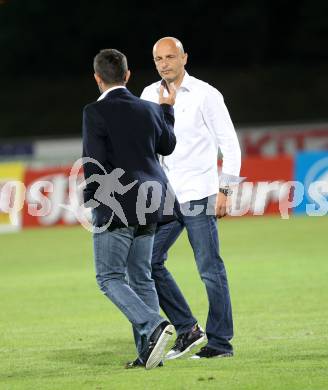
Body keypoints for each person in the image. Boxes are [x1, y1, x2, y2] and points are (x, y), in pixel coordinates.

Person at [140, 37, 241, 359]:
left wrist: (225, 190)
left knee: (210, 270)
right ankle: (188, 329)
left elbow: (231, 144)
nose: (165, 63)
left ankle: (220, 343)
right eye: (159, 59)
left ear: (185, 58)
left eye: (171, 57)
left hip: (199, 194)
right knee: (148, 262)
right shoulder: (146, 95)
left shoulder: (206, 94)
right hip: (165, 197)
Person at [82, 48, 178, 369]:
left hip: (117, 204)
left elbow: (93, 165)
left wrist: (96, 203)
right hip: (153, 200)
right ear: (127, 75)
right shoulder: (150, 109)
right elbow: (168, 145)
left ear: (97, 79)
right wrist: (167, 111)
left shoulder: (94, 113)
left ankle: (153, 326)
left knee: (109, 278)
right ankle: (151, 354)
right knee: (142, 277)